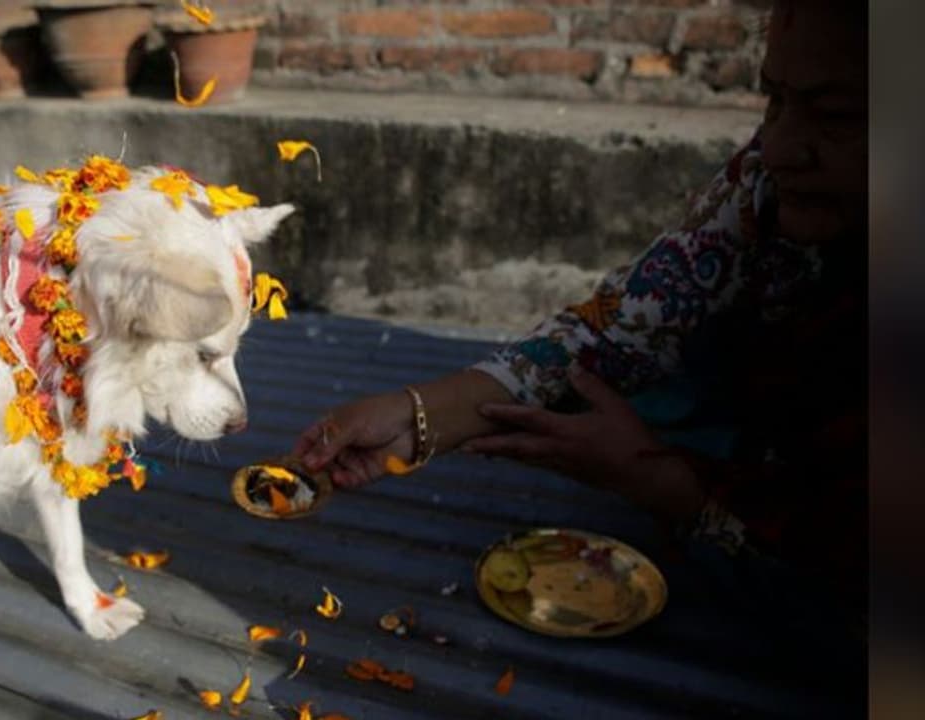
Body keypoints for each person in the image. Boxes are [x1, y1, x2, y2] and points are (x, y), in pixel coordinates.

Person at [294, 0, 867, 619]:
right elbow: (629, 322)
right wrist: (420, 415)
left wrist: (662, 484)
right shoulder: (764, 185)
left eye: (836, 115)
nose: (780, 148)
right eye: (775, 101)